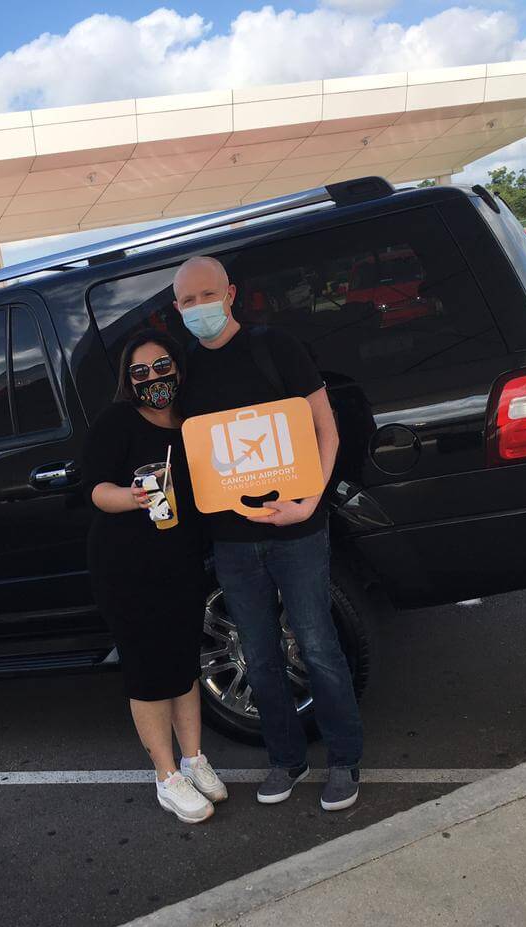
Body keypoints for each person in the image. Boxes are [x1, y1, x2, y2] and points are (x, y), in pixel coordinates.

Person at [174, 255, 364, 812]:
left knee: (318, 645)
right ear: (176, 308)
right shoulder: (186, 371)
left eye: (207, 296)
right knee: (257, 654)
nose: (198, 308)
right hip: (230, 539)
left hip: (298, 531)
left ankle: (345, 759)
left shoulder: (275, 348)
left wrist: (308, 505)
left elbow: (325, 432)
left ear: (230, 293)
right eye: (187, 301)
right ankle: (286, 759)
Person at [81, 330, 228, 824]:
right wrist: (135, 497)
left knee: (183, 664)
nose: (153, 379)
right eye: (140, 372)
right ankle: (166, 776)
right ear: (128, 379)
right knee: (148, 672)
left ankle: (194, 759)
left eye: (161, 367)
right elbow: (97, 490)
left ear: (177, 369)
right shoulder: (117, 420)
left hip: (181, 561)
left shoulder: (192, 423)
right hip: (127, 565)